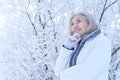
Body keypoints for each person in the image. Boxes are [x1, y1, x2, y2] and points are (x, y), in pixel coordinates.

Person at [54, 11, 111, 80]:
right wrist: (67, 48)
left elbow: (91, 70)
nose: (75, 26)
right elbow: (58, 71)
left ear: (89, 22)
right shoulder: (76, 45)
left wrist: (63, 75)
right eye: (72, 24)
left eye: (79, 21)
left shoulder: (100, 42)